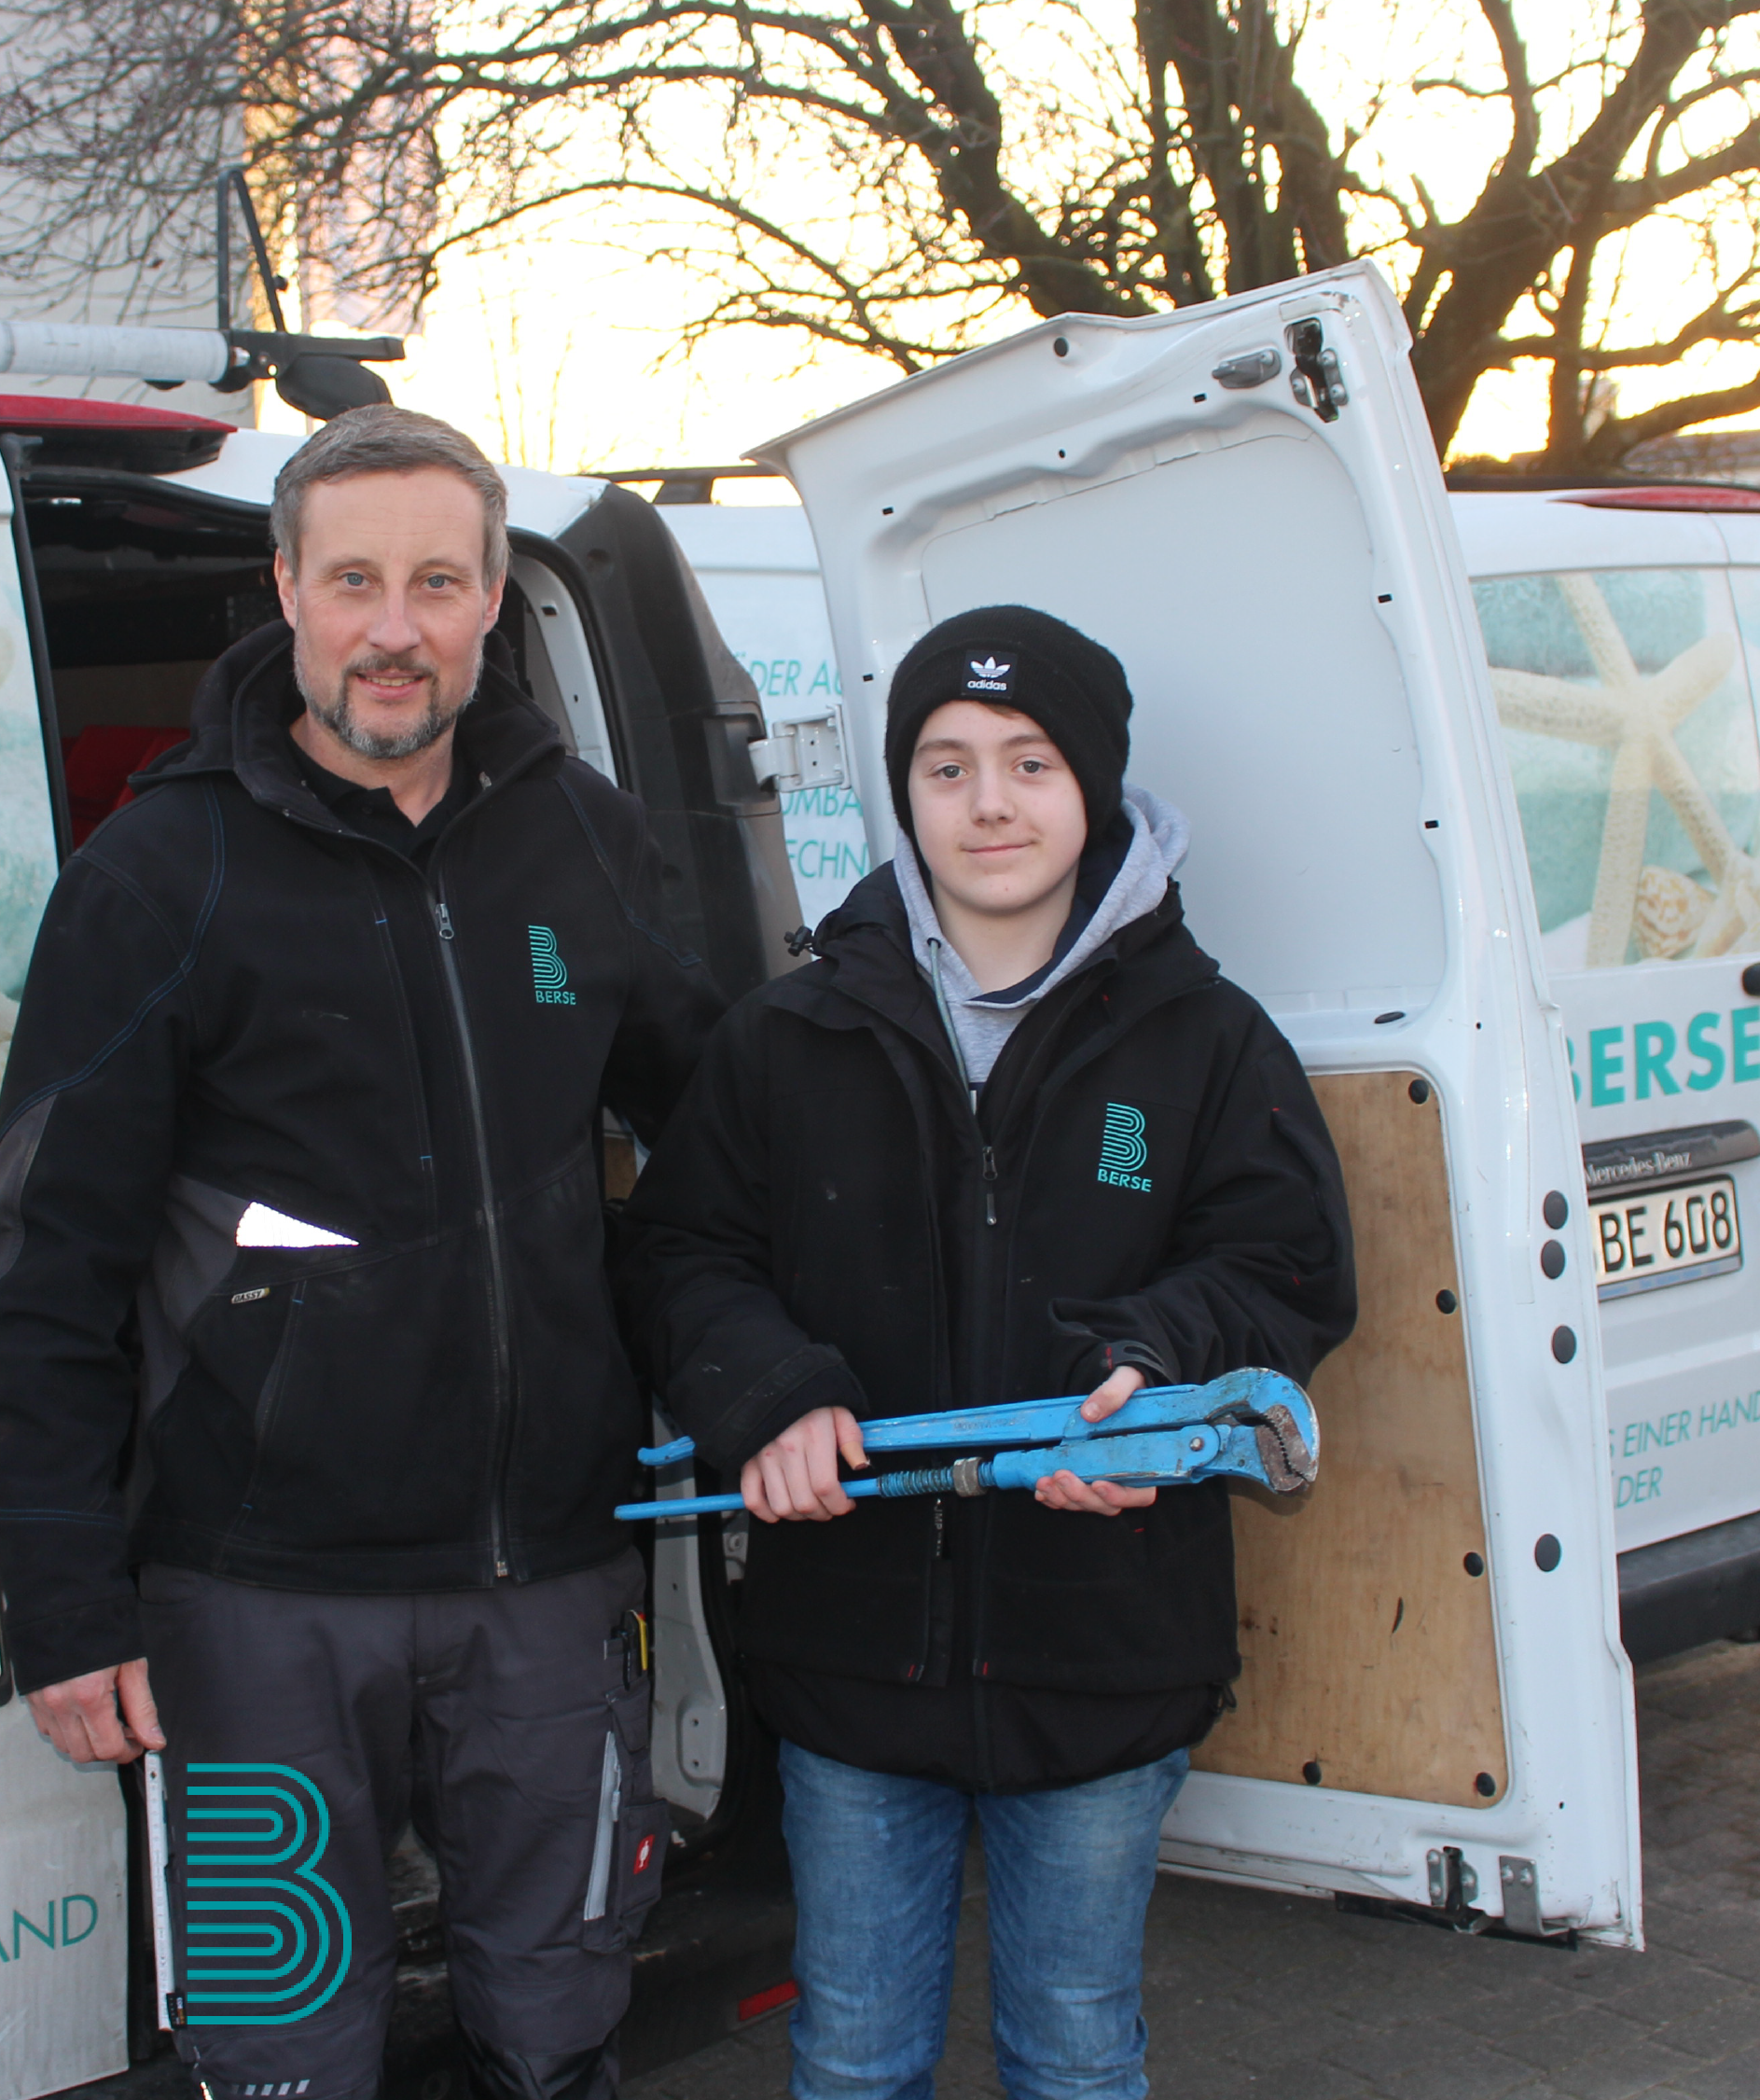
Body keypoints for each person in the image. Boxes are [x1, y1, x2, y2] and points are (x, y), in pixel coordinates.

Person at [0, 407, 719, 2100]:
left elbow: (724, 1138)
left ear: (485, 601)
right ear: (284, 591)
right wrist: (61, 1598)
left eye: (436, 581)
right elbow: (47, 1268)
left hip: (544, 1581)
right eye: (353, 581)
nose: (393, 626)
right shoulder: (155, 874)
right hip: (252, 1604)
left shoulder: (583, 842)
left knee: (557, 2024)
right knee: (278, 2053)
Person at [615, 605, 1355, 2100]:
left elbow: (1284, 1268)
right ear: (903, 798)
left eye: (1029, 762)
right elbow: (684, 1252)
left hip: (1101, 1649)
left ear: (1093, 785)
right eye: (945, 768)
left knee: (1075, 2048)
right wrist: (767, 1397)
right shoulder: (789, 1034)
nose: (990, 803)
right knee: (853, 2053)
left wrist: (1156, 1369)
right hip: (847, 1651)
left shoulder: (1203, 1039)